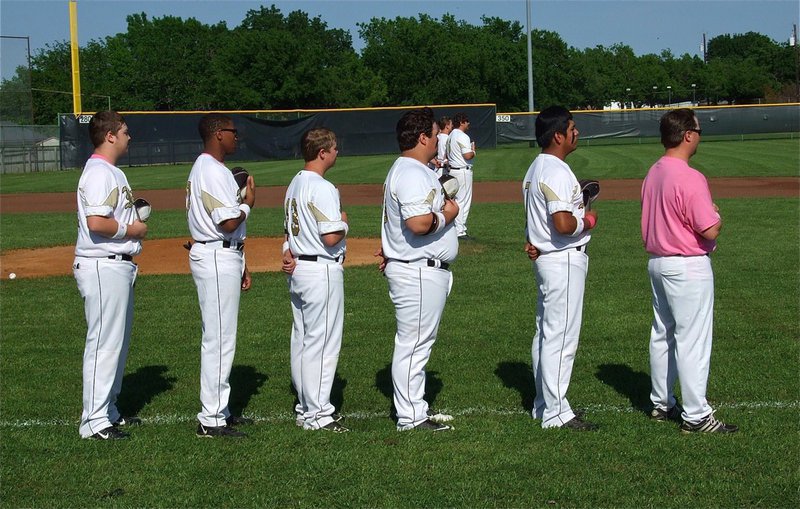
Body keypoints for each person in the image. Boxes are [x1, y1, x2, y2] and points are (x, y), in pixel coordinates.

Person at [641, 108, 737, 433]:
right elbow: (709, 228)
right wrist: (716, 215)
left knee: (663, 334)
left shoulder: (654, 171)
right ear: (687, 135)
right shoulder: (690, 176)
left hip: (658, 261)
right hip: (687, 265)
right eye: (698, 131)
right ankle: (696, 416)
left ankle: (661, 403)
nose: (699, 136)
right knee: (692, 339)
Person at [379, 107, 460, 431]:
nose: (439, 139)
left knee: (416, 344)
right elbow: (417, 223)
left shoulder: (411, 169)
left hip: (419, 267)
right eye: (436, 134)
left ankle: (415, 409)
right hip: (418, 270)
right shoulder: (412, 172)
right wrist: (448, 214)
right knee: (413, 345)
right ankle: (411, 416)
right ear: (423, 137)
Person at [522, 105, 599, 431]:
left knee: (546, 334)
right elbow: (564, 224)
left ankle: (545, 405)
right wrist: (589, 220)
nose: (576, 132)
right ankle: (555, 413)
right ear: (558, 136)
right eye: (571, 128)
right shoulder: (555, 170)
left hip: (549, 258)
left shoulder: (535, 167)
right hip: (563, 259)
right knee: (561, 337)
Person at [74, 111, 148, 440]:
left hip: (115, 265)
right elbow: (96, 223)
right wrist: (132, 229)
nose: (129, 137)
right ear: (110, 136)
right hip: (103, 265)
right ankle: (93, 421)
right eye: (125, 131)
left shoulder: (110, 171)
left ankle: (108, 411)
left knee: (115, 344)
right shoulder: (99, 173)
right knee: (104, 344)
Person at [186, 113, 256, 438]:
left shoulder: (212, 169)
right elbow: (227, 223)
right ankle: (211, 418)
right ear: (218, 134)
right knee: (218, 339)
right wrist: (248, 204)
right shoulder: (211, 170)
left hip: (223, 254)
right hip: (215, 255)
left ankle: (220, 410)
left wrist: (242, 262)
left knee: (222, 337)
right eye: (232, 131)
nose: (236, 136)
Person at [281, 128, 349, 433]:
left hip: (300, 268)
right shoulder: (322, 187)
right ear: (322, 153)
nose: (337, 152)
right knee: (322, 343)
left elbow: (288, 230)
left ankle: (305, 407)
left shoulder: (295, 183)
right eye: (334, 148)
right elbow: (331, 236)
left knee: (303, 340)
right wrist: (345, 222)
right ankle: (319, 414)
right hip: (321, 270)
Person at [446, 112, 475, 239]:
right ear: (462, 122)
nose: (468, 123)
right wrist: (473, 150)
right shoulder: (462, 136)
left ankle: (456, 228)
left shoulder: (451, 135)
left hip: (452, 170)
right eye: (467, 121)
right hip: (462, 171)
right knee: (463, 201)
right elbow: (467, 155)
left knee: (456, 200)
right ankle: (460, 230)